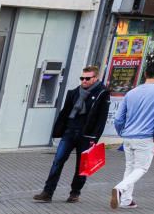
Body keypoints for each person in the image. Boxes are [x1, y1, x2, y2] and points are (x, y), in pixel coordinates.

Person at [34, 64, 110, 203]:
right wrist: (59, 130)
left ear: (95, 78)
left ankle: (75, 193)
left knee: (82, 165)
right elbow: (65, 112)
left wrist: (95, 137)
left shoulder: (102, 93)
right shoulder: (74, 92)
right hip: (70, 131)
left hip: (86, 134)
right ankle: (47, 192)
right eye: (82, 78)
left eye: (87, 78)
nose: (84, 81)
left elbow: (101, 118)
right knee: (58, 161)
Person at [110, 62, 154, 210]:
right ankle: (121, 188)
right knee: (142, 168)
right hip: (146, 136)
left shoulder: (131, 92)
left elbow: (119, 118)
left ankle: (126, 199)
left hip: (128, 135)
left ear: (145, 74)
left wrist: (122, 132)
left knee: (130, 167)